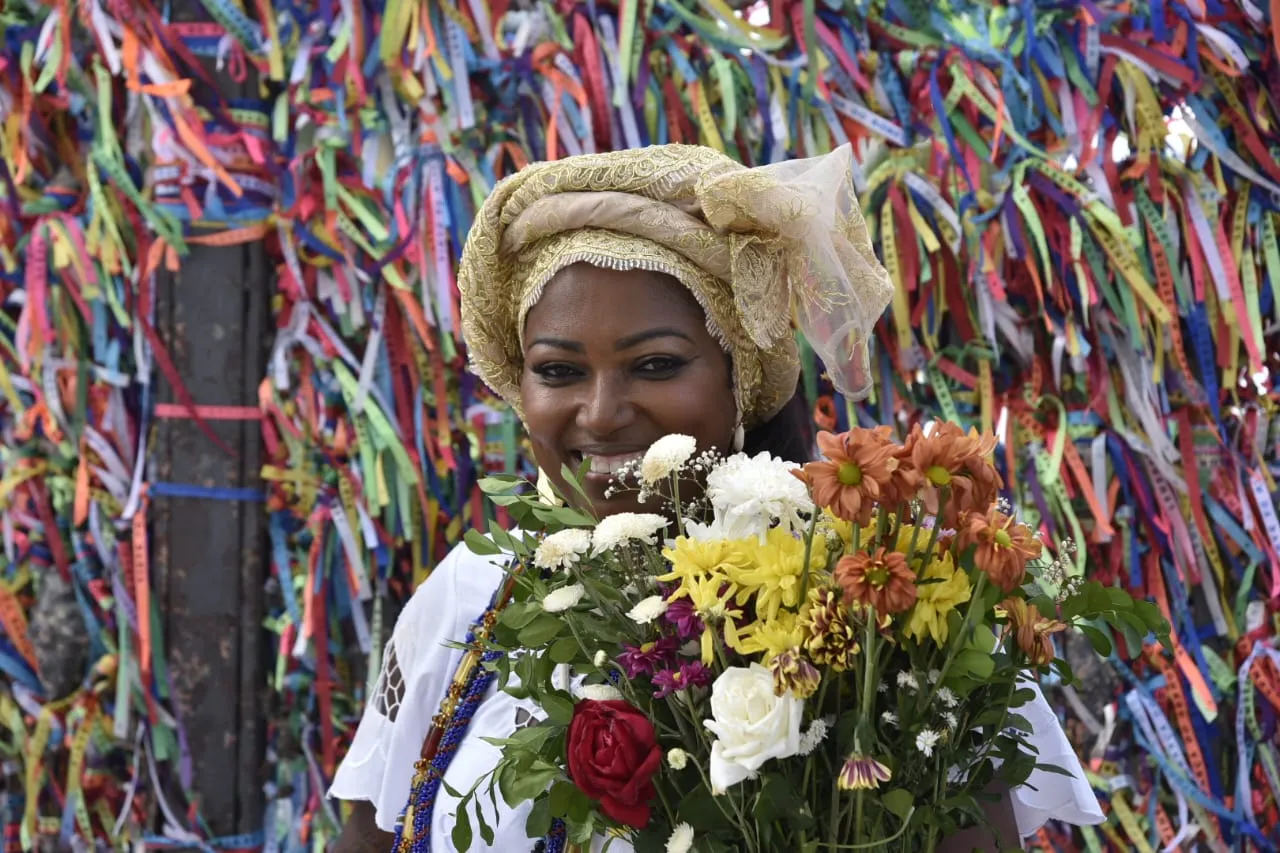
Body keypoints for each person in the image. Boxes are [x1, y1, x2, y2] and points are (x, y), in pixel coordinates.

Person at [329, 144, 1104, 852]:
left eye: (656, 365)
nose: (600, 414)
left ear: (741, 379)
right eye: (560, 371)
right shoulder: (469, 597)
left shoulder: (884, 613)